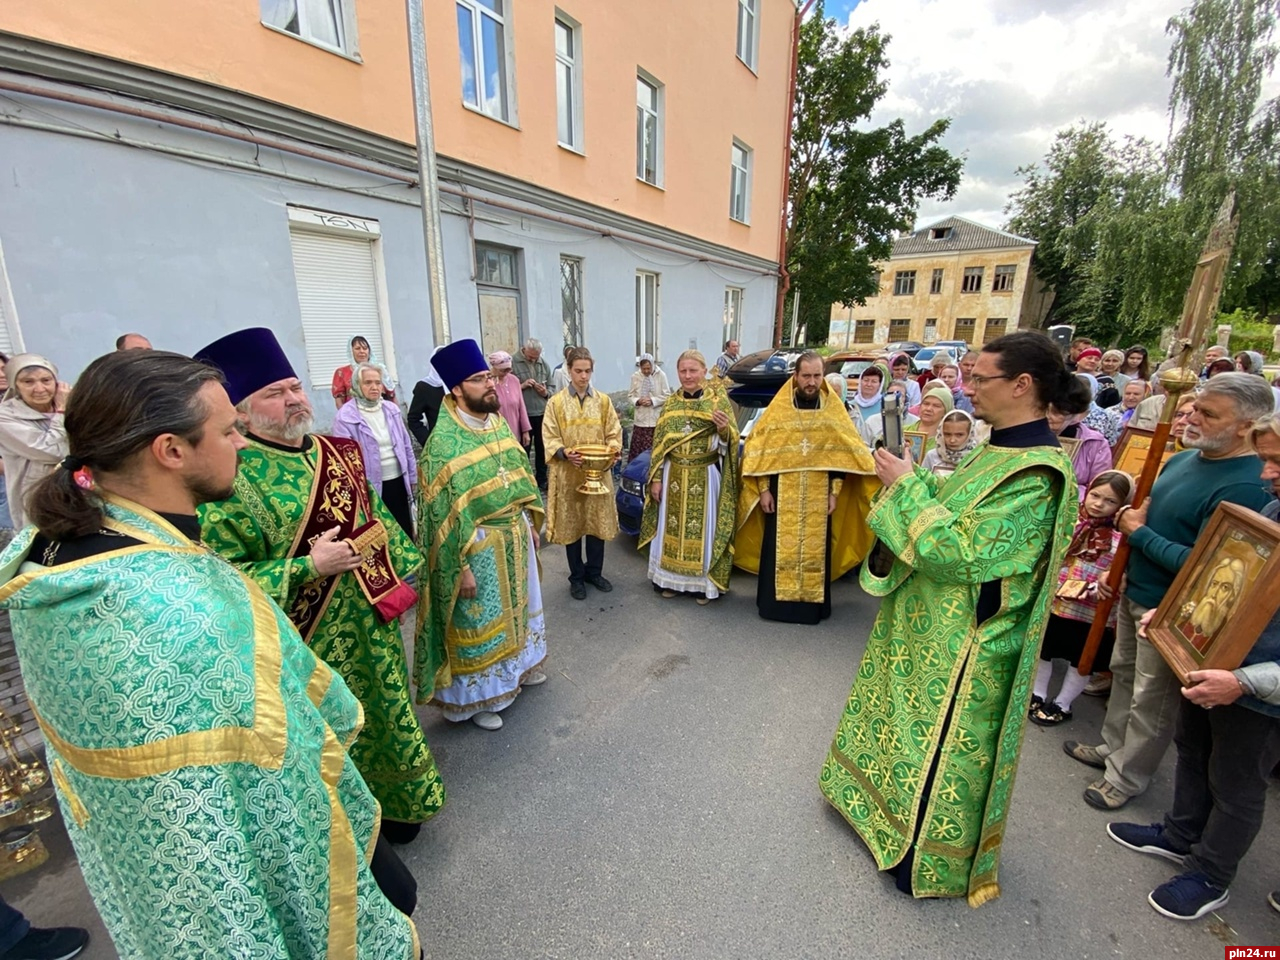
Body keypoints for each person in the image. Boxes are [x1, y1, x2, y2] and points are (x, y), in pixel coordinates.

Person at [0, 349, 419, 958]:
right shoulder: (183, 604)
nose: (242, 445)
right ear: (171, 450)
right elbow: (291, 765)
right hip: (255, 882)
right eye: (227, 431)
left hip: (162, 892)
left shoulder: (56, 554)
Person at [821, 330, 1078, 906]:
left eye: (979, 379)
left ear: (1022, 385)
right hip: (928, 619)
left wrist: (906, 486)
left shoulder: (1036, 475)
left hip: (966, 640)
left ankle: (920, 855)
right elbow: (956, 512)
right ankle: (874, 810)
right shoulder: (995, 450)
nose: (968, 388)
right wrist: (919, 483)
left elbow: (960, 553)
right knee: (896, 719)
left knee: (934, 742)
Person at [195, 328, 444, 842]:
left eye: (294, 387)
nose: (292, 400)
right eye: (274, 393)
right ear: (241, 411)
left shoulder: (341, 451)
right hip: (306, 641)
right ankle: (344, 827)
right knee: (328, 735)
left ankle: (399, 805)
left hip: (371, 621)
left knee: (387, 713)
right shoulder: (227, 478)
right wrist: (309, 567)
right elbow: (221, 579)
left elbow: (375, 514)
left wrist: (407, 565)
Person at [1064, 373, 1274, 810]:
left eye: (1208, 413)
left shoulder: (1249, 484)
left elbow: (1213, 569)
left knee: (1152, 698)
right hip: (1134, 588)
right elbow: (1146, 517)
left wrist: (1139, 539)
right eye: (1195, 407)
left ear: (1245, 425)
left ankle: (1127, 775)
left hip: (1174, 607)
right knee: (1123, 674)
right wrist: (1122, 565)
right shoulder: (1182, 460)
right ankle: (1111, 748)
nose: (1191, 418)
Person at [1105, 415, 1280, 920]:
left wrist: (1245, 681)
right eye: (1265, 459)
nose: (1266, 474)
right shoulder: (1272, 507)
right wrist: (1180, 610)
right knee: (1192, 747)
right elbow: (1232, 584)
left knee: (1238, 783)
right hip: (1214, 663)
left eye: (1278, 461)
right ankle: (1180, 834)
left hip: (1258, 689)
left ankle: (1211, 874)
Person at [414, 339, 547, 732]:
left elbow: (518, 473)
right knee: (480, 626)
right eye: (478, 379)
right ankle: (478, 699)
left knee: (518, 610)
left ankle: (518, 671)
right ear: (456, 389)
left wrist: (526, 519)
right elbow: (439, 521)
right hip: (477, 550)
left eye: (489, 376)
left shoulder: (496, 424)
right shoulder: (441, 446)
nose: (490, 384)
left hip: (513, 536)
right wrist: (462, 568)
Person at [735, 351, 878, 625]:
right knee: (777, 548)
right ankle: (773, 605)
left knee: (816, 549)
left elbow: (843, 455)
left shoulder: (832, 410)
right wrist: (764, 489)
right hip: (781, 493)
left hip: (818, 493)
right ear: (796, 377)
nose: (811, 382)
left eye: (816, 376)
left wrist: (834, 492)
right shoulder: (779, 410)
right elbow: (759, 450)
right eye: (806, 376)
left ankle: (811, 608)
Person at [1030, 470, 1132, 726]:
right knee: (1045, 649)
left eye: (1110, 501)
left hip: (1092, 611)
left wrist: (1108, 585)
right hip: (1057, 602)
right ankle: (1037, 693)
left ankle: (1063, 702)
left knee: (1081, 658)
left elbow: (1122, 575)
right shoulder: (1071, 524)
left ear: (1123, 505)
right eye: (1095, 495)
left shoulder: (1122, 540)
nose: (1098, 504)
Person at [640, 350, 738, 605]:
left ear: (704, 371)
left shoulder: (718, 401)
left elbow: (732, 440)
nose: (688, 376)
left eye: (693, 370)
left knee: (703, 529)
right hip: (673, 476)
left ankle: (701, 586)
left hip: (704, 476)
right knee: (670, 529)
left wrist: (723, 428)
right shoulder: (671, 403)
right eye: (683, 370)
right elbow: (659, 445)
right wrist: (657, 478)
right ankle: (670, 580)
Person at [543, 347, 622, 601]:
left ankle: (594, 572)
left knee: (596, 524)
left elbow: (614, 431)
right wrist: (564, 453)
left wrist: (614, 450)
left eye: (587, 371)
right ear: (568, 370)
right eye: (578, 371)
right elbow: (549, 436)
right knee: (574, 526)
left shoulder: (603, 401)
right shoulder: (555, 403)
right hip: (569, 474)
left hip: (599, 474)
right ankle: (576, 577)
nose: (583, 376)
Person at [332, 362, 418, 537]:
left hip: (398, 480)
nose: (374, 387)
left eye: (378, 383)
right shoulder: (345, 417)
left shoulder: (391, 409)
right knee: (380, 532)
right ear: (357, 385)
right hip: (370, 486)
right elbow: (344, 461)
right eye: (368, 383)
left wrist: (413, 476)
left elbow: (406, 445)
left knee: (404, 529)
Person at [0, 355, 70, 529]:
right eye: (28, 382)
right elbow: (50, 451)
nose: (39, 388)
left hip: (78, 491)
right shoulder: (6, 416)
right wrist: (61, 413)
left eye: (46, 380)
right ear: (16, 385)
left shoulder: (72, 404)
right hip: (36, 497)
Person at [1046, 379, 1111, 500]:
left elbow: (1099, 488)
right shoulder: (1023, 432)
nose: (1048, 416)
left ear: (1078, 415)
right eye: (1043, 409)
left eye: (1057, 412)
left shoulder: (1096, 443)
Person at [512, 338, 554, 487]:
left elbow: (552, 388)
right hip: (523, 414)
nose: (533, 359)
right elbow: (507, 389)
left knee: (542, 448)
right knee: (524, 448)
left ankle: (541, 479)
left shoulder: (544, 364)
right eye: (530, 357)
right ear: (524, 350)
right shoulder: (513, 363)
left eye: (536, 357)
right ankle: (525, 480)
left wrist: (545, 393)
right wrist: (521, 386)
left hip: (542, 412)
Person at [332, 335, 395, 409]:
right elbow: (339, 402)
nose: (362, 351)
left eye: (365, 348)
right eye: (357, 348)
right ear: (351, 351)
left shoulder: (380, 370)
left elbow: (392, 397)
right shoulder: (342, 373)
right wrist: (345, 417)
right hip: (353, 415)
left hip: (380, 413)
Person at [628, 353, 671, 460]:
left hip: (655, 421)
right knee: (639, 453)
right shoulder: (635, 377)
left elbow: (667, 396)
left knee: (653, 452)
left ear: (653, 365)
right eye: (643, 369)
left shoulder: (661, 375)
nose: (646, 371)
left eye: (648, 368)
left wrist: (653, 400)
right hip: (640, 421)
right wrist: (638, 401)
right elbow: (630, 396)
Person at [488, 350, 532, 449]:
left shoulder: (514, 381)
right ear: (494, 367)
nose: (506, 373)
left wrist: (526, 431)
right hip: (495, 434)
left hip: (514, 432)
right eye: (503, 370)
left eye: (508, 370)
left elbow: (521, 406)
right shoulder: (488, 383)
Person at [919, 408, 977, 477]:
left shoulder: (976, 456)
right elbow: (923, 481)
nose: (952, 440)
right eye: (947, 434)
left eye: (959, 435)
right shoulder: (932, 456)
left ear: (970, 434)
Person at [407, 350, 446, 446]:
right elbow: (413, 419)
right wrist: (429, 442)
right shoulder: (425, 387)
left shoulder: (459, 384)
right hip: (440, 446)